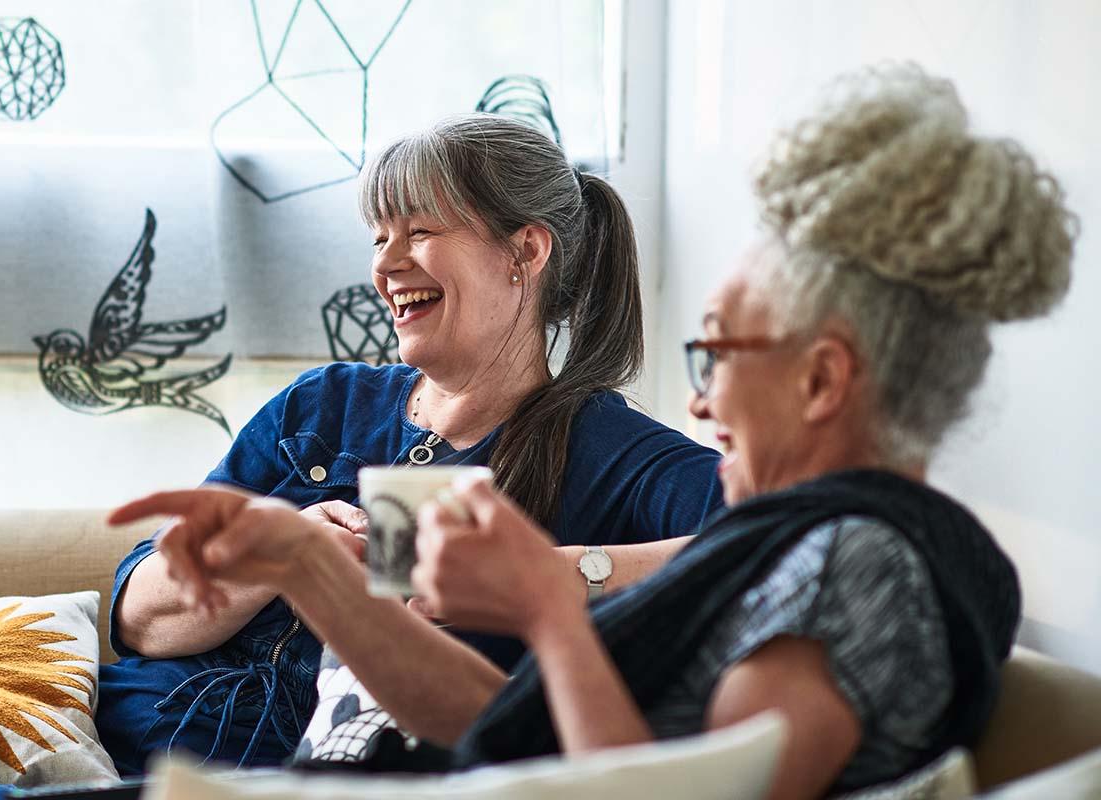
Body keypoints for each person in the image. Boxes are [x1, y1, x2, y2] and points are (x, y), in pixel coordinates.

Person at [115, 64, 1076, 800]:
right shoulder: (798, 551)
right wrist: (309, 566)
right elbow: (517, 731)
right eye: (378, 234)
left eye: (717, 359)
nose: (699, 403)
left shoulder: (849, 568)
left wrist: (548, 600)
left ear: (821, 380)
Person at [95, 114, 723, 775]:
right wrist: (281, 549)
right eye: (379, 238)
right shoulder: (324, 406)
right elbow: (137, 615)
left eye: (419, 232)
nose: (386, 266)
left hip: (263, 778)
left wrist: (558, 576)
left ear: (525, 252)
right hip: (106, 743)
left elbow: (791, 533)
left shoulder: (602, 448)